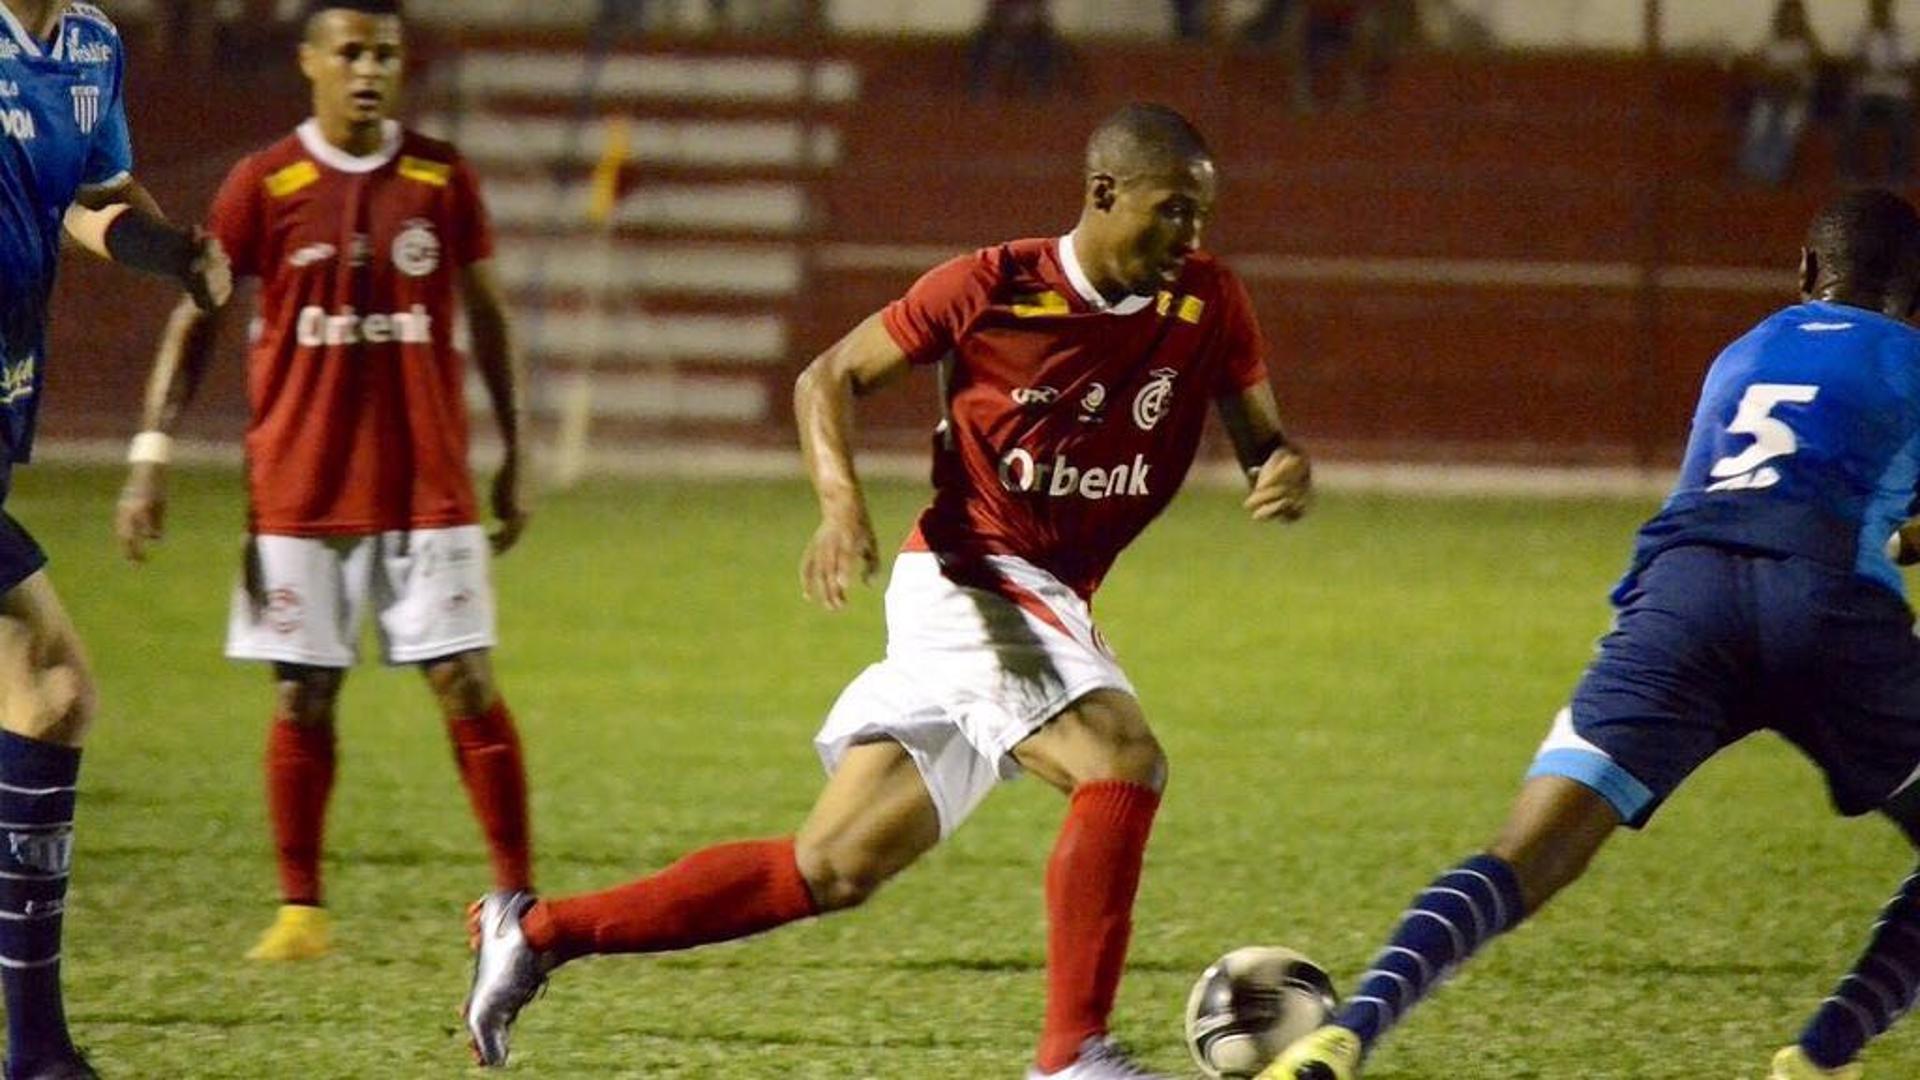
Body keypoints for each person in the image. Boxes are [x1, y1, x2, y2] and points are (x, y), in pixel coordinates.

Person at [461, 102, 1313, 1078]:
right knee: (1120, 761)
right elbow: (826, 378)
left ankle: (535, 932)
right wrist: (839, 504)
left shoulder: (1209, 300)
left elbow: (1266, 444)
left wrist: (1283, 472)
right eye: (1171, 212)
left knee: (832, 866)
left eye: (1201, 216)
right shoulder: (993, 285)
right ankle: (1072, 1055)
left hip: (1049, 594)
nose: (1189, 238)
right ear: (1105, 193)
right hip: (970, 573)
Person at [1268, 189, 1920, 1080]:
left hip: (1682, 600)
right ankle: (1821, 1053)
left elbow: (1769, 481)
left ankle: (1349, 1030)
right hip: (1827, 604)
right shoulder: (1912, 359)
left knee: (1527, 852)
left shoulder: (1743, 353)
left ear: (1806, 273)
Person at [113, 0, 535, 964]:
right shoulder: (264, 182)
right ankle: (301, 912)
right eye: (349, 52)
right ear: (310, 63)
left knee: (464, 678)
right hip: (298, 487)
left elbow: (491, 320)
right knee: (303, 694)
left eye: (384, 53)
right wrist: (150, 456)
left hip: (429, 484)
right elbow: (199, 316)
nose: (368, 69)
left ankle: (517, 900)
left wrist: (515, 450)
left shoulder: (440, 174)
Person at [0, 1, 230, 1075]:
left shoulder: (87, 43)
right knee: (50, 685)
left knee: (46, 693)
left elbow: (90, 201)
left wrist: (172, 252)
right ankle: (39, 1053)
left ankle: (38, 1052)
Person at [1738, 0, 1823, 187]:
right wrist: (1775, 75)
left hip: (1797, 98)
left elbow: (1809, 73)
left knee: (1787, 126)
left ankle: (1772, 174)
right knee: (1760, 123)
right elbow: (1758, 71)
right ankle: (1752, 171)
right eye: (1787, 16)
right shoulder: (1770, 42)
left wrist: (1783, 75)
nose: (1791, 21)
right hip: (1769, 96)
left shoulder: (1808, 45)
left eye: (1795, 16)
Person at [1842, 0, 1915, 185]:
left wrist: (1886, 70)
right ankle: (1850, 173)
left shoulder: (1902, 38)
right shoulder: (1861, 37)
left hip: (1894, 93)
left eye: (1884, 9)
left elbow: (1909, 69)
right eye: (1877, 9)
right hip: (1866, 93)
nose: (1880, 14)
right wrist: (1865, 63)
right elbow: (1851, 66)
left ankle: (1897, 175)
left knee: (1902, 119)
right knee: (1852, 116)